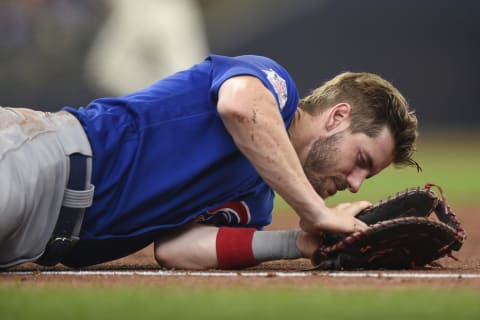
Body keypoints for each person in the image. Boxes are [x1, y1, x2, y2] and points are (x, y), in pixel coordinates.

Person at [0, 54, 418, 270]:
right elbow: (239, 106)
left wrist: (299, 243)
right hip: (41, 161)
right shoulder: (276, 88)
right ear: (337, 117)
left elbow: (177, 250)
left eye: (369, 174)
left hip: (32, 243)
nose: (357, 183)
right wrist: (316, 212)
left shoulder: (257, 201)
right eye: (361, 159)